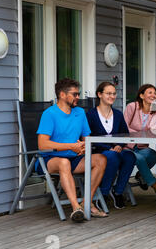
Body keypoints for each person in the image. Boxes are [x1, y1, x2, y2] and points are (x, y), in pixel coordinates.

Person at [36, 78, 108, 222]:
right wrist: (71, 146)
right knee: (64, 163)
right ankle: (76, 208)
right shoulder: (50, 114)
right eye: (74, 94)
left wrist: (83, 147)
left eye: (78, 94)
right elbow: (42, 145)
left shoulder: (80, 113)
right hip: (50, 159)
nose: (78, 97)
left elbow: (87, 138)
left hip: (74, 157)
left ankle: (86, 203)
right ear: (62, 95)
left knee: (101, 159)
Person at [86, 82, 136, 210]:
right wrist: (108, 148)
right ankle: (102, 193)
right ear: (100, 94)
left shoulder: (118, 114)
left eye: (114, 93)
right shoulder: (90, 115)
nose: (112, 96)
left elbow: (125, 134)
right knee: (112, 156)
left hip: (116, 150)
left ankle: (118, 191)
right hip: (97, 151)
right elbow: (87, 137)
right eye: (108, 93)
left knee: (130, 156)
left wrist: (119, 145)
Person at [123, 84, 156, 202]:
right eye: (150, 92)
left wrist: (152, 126)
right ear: (141, 95)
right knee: (139, 158)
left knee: (153, 155)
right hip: (127, 146)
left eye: (155, 93)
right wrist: (139, 134)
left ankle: (141, 175)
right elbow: (124, 126)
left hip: (141, 146)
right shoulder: (132, 106)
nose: (153, 95)